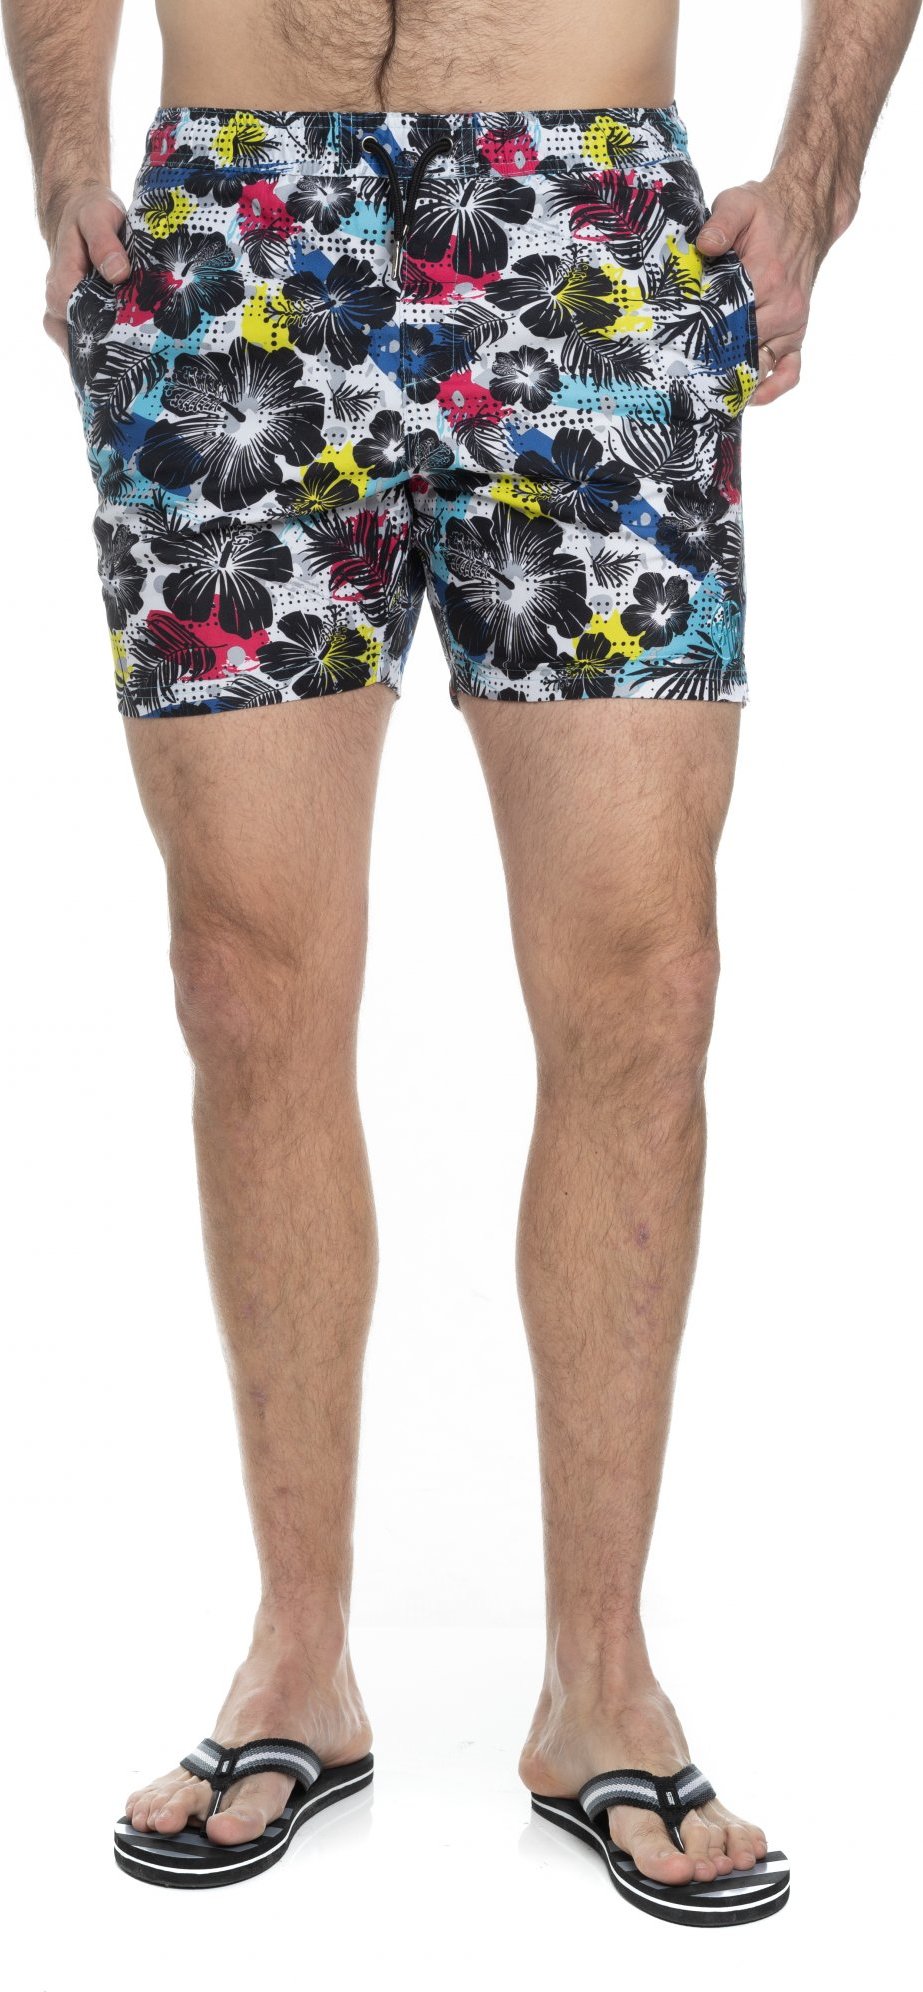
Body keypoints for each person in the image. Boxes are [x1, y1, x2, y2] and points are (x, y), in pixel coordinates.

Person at [3, 0, 918, 1917]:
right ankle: (299, 1660)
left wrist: (821, 175)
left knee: (647, 985)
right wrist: (69, 147)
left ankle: (601, 1683)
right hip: (237, 225)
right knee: (243, 983)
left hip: (586, 233)